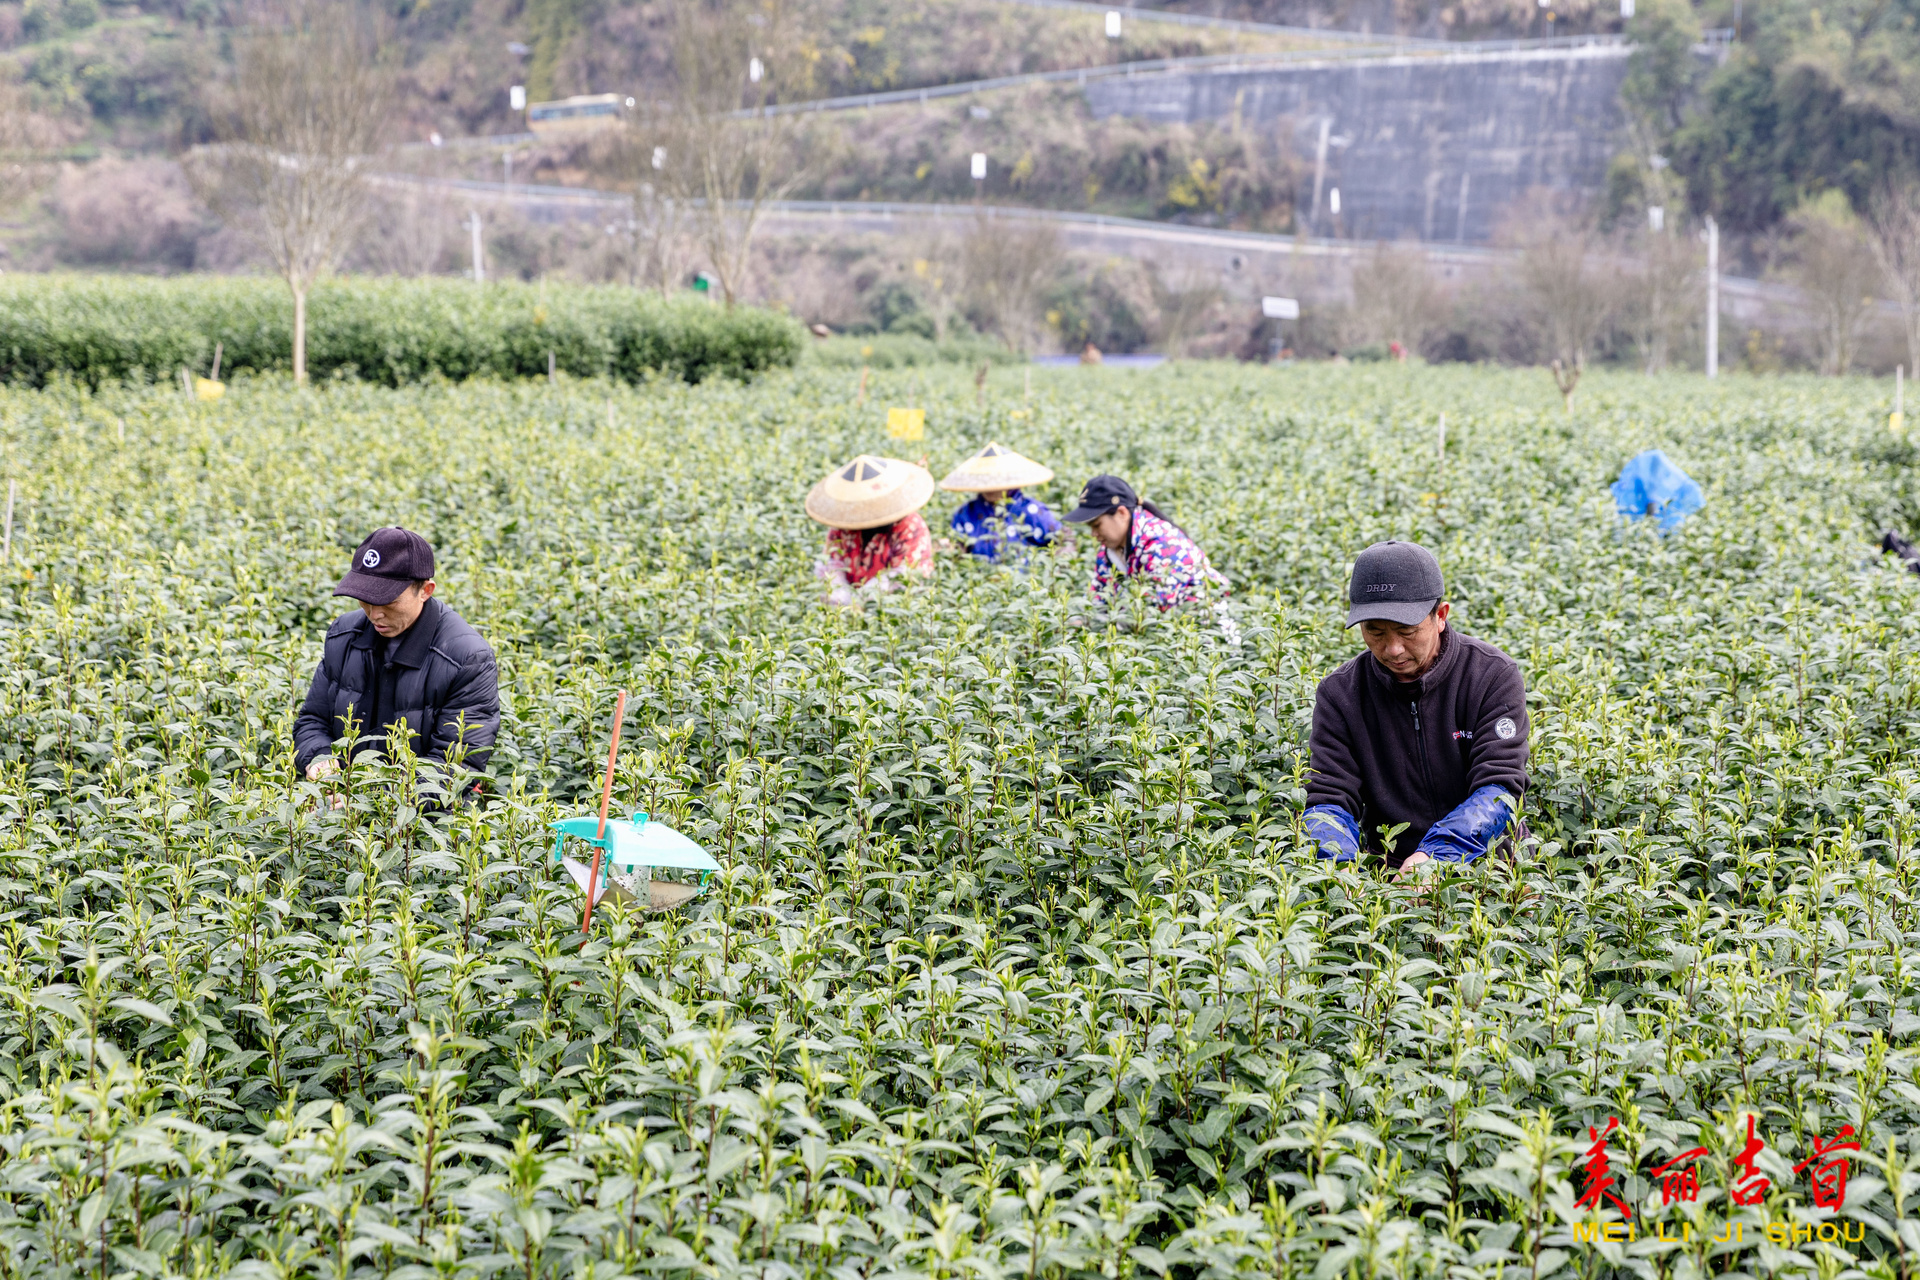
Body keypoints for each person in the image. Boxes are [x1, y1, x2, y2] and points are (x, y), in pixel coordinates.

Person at [1304, 540, 1528, 873]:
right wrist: (1339, 875)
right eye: (1374, 631)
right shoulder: (1341, 694)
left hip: (1494, 868)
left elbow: (1500, 789)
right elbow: (1329, 799)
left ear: (1440, 616)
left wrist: (1437, 858)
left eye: (1407, 631)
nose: (1392, 649)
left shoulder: (1491, 675)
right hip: (1391, 874)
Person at [294, 527, 500, 791]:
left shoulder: (467, 658)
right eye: (365, 599)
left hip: (421, 817)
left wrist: (371, 802)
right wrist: (320, 759)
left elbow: (456, 768)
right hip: (339, 800)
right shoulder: (344, 635)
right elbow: (313, 720)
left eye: (387, 600)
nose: (374, 614)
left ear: (426, 590)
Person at [1062, 474, 1227, 611]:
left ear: (1121, 513)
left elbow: (1154, 611)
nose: (1093, 534)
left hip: (1203, 633)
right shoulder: (1109, 549)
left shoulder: (1163, 545)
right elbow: (1098, 593)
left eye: (1097, 525)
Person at [807, 454, 936, 607]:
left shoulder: (910, 527)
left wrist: (862, 600)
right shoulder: (842, 528)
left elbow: (904, 576)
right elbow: (830, 566)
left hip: (890, 610)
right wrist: (842, 601)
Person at [940, 442, 1062, 563]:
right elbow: (959, 552)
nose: (990, 487)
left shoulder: (1031, 510)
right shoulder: (966, 513)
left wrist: (1055, 568)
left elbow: (1063, 539)